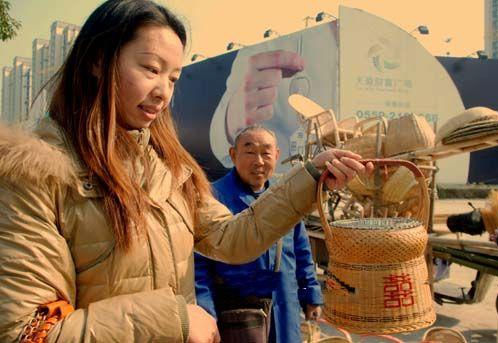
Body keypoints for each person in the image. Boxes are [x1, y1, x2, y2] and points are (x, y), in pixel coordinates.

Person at [0, 1, 371, 342]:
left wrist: (309, 178)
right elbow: (28, 332)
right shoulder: (33, 175)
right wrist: (172, 318)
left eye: (173, 77)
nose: (163, 91)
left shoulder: (167, 168)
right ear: (98, 61)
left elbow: (232, 237)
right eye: (150, 69)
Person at [195, 125, 323, 342]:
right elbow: (199, 266)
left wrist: (310, 293)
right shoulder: (211, 198)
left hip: (284, 306)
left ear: (277, 155)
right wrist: (206, 314)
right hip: (236, 312)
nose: (259, 161)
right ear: (233, 154)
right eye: (250, 152)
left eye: (266, 153)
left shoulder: (286, 197)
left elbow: (301, 252)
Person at [209, 22, 338, 172]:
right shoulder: (273, 35)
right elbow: (220, 146)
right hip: (286, 188)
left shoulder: (367, 30)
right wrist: (233, 117)